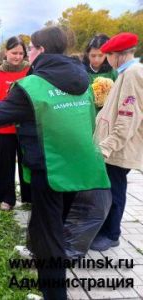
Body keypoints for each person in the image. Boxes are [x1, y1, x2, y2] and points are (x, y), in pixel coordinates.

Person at [0, 26, 110, 299]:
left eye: (31, 47)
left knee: (50, 233)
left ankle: (54, 292)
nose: (28, 52)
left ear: (40, 49)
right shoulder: (82, 78)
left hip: (50, 168)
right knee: (55, 222)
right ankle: (40, 256)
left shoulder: (33, 85)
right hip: (78, 162)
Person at [91, 32, 143, 251]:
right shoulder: (126, 72)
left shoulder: (132, 74)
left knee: (115, 191)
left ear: (116, 55)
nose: (106, 60)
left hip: (118, 149)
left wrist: (106, 147)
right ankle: (106, 229)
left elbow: (127, 117)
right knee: (110, 189)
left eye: (107, 55)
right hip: (115, 147)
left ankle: (112, 234)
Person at [0, 36, 31, 211]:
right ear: (6, 52)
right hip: (5, 128)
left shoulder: (31, 72)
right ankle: (7, 198)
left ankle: (30, 196)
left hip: (26, 127)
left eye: (21, 53)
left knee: (28, 162)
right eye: (14, 52)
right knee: (5, 164)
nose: (17, 56)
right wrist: (2, 107)